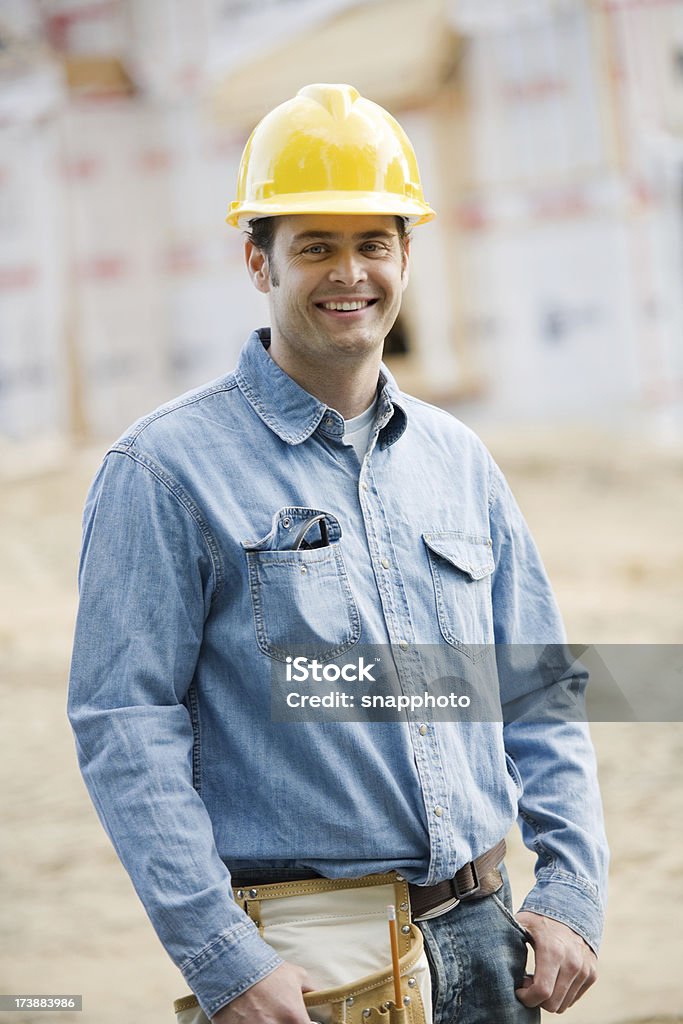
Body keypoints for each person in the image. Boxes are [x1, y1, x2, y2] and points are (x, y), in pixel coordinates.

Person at [68, 83, 608, 1024]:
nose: (348, 273)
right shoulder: (162, 471)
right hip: (306, 963)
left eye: (372, 243)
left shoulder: (457, 461)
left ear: (406, 255)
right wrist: (222, 956)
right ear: (257, 261)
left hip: (488, 945)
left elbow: (537, 686)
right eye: (314, 245)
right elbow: (124, 721)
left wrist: (570, 888)